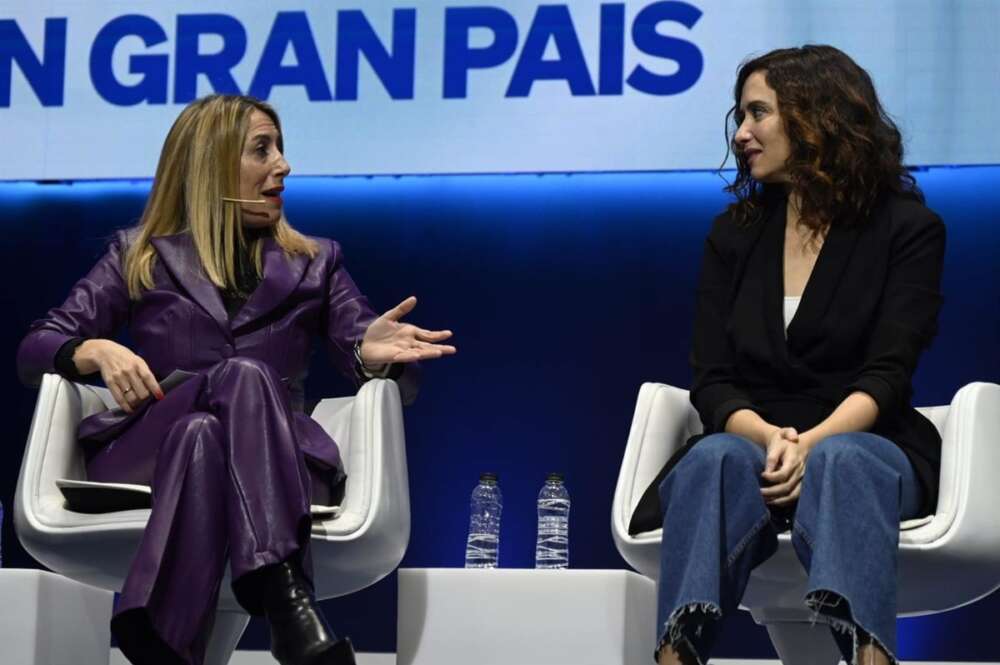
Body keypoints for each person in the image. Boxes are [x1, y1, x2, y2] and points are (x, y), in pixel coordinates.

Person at [16, 94, 456, 665]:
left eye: (281, 147)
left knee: (202, 434)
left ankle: (163, 638)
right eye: (262, 149)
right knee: (239, 377)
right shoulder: (139, 255)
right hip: (143, 451)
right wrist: (93, 348)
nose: (284, 165)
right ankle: (284, 597)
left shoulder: (317, 261)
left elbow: (382, 362)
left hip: (278, 466)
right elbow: (35, 348)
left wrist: (374, 357)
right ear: (212, 163)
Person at [628, 45, 945, 665]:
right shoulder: (734, 234)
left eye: (758, 113)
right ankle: (675, 654)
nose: (741, 133)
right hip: (757, 446)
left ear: (817, 116)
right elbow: (713, 380)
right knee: (713, 457)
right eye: (739, 117)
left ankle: (868, 656)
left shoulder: (907, 228)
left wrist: (814, 443)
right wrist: (774, 439)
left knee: (846, 462)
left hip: (870, 444)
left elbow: (888, 374)